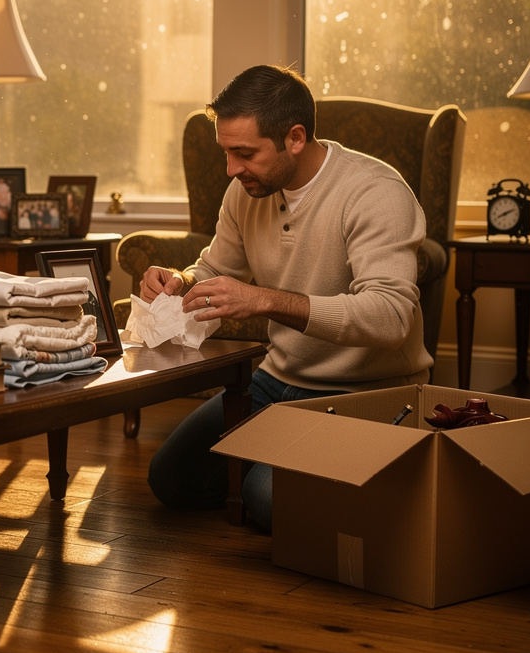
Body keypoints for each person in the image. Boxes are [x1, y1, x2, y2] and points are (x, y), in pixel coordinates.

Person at [141, 65, 432, 530]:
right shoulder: (246, 191)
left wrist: (265, 300)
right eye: (226, 153)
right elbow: (216, 268)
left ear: (295, 138)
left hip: (367, 393)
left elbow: (392, 317)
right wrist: (180, 278)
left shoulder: (376, 192)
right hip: (275, 383)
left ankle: (384, 470)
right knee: (170, 480)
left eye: (244, 153)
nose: (231, 170)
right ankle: (309, 468)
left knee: (266, 497)